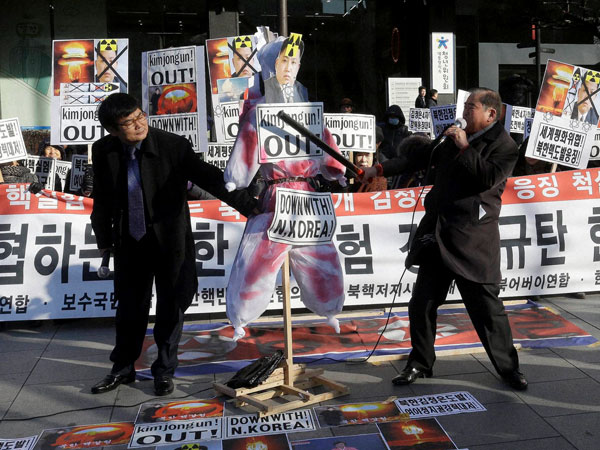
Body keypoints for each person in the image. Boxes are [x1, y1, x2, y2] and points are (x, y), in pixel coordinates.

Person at [89, 93, 256, 396]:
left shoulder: (172, 145)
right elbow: (100, 200)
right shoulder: (103, 151)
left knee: (172, 306)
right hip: (129, 241)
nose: (139, 124)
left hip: (170, 240)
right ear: (113, 130)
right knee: (129, 308)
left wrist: (250, 206)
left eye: (141, 116)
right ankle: (122, 368)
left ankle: (163, 372)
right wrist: (104, 241)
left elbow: (212, 178)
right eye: (129, 122)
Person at [361, 87, 528, 391]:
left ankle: (508, 368)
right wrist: (378, 168)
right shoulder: (452, 139)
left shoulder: (504, 146)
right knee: (422, 303)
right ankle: (420, 363)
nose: (464, 112)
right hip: (438, 235)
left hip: (473, 240)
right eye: (464, 106)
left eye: (471, 107)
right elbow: (420, 156)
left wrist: (466, 147)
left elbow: (486, 178)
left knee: (488, 310)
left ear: (491, 113)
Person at [223, 34, 346, 341]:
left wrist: (337, 169)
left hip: (307, 198)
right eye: (283, 61)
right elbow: (248, 145)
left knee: (320, 255)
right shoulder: (259, 111)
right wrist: (236, 176)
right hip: (276, 196)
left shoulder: (307, 109)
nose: (289, 68)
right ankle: (241, 314)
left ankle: (329, 304)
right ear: (270, 66)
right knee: (258, 260)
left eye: (294, 61)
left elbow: (326, 145)